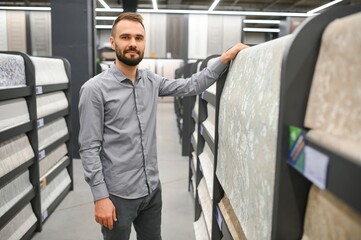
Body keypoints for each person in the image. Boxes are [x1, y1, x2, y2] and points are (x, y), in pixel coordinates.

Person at [78, 12, 248, 240]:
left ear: (144, 43)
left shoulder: (150, 81)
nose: (132, 44)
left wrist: (224, 59)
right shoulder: (94, 90)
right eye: (125, 37)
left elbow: (191, 85)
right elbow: (89, 148)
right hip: (118, 196)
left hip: (151, 191)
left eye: (138, 38)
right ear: (113, 42)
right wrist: (100, 197)